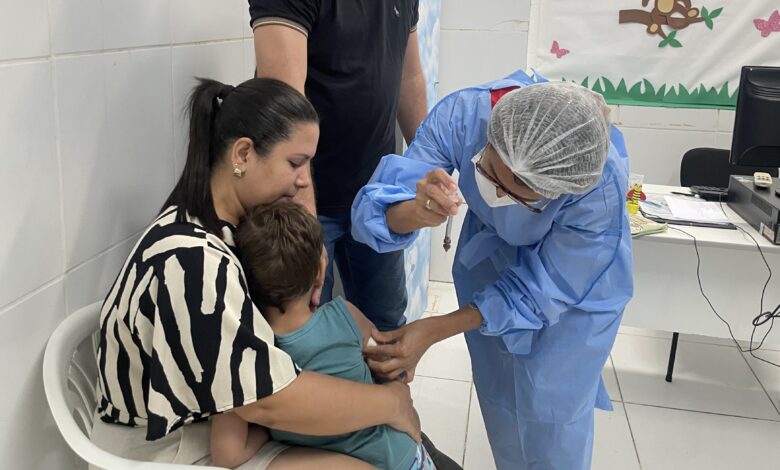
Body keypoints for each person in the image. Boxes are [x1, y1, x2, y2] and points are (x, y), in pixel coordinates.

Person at [90, 76, 420, 469]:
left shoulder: (221, 227)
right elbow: (266, 402)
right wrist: (390, 403)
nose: (305, 180)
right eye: (295, 163)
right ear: (243, 154)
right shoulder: (193, 260)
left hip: (217, 422)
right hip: (164, 448)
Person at [351, 71, 634, 470]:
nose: (497, 194)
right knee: (499, 391)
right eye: (488, 172)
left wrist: (433, 329)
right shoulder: (467, 116)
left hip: (574, 295)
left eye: (521, 196)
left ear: (558, 194)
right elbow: (376, 209)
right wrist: (415, 210)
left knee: (553, 408)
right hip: (490, 257)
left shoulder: (597, 187)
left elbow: (546, 289)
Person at [212, 201, 453, 470]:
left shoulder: (250, 356)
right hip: (403, 457)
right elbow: (387, 362)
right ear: (320, 271)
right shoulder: (346, 316)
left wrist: (271, 429)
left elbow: (230, 453)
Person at [249, 0, 429, 331]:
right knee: (309, 334)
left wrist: (428, 168)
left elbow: (410, 77)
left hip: (377, 196)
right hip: (303, 197)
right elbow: (284, 109)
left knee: (386, 325)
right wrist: (304, 220)